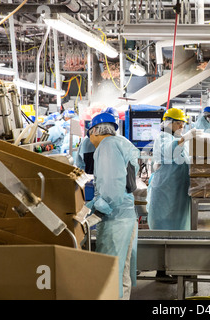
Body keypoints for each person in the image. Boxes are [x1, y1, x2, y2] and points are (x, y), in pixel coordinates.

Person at [83, 112, 140, 300]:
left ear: (95, 131)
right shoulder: (122, 143)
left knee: (109, 269)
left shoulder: (107, 146)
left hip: (115, 218)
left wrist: (97, 210)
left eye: (90, 135)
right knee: (121, 269)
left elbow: (111, 185)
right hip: (126, 216)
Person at [147, 108, 201, 231]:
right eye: (178, 122)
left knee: (181, 226)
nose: (181, 125)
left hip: (180, 190)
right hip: (166, 190)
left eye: (183, 123)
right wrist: (184, 139)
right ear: (168, 123)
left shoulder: (181, 140)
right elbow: (170, 152)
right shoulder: (163, 137)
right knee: (164, 224)